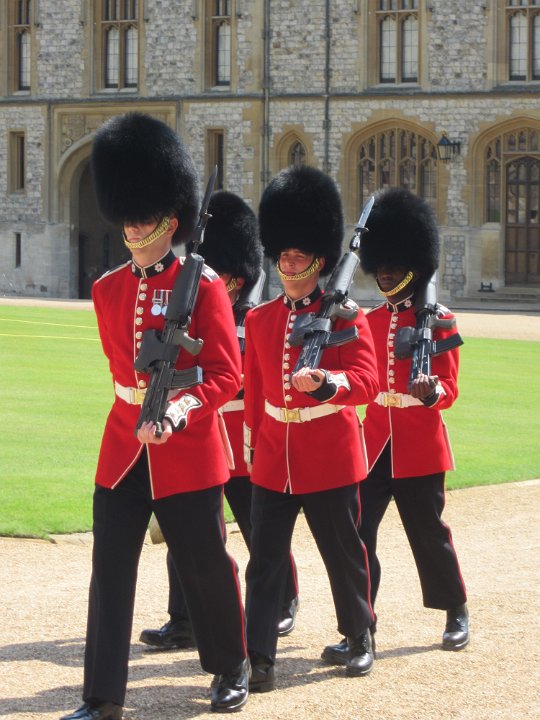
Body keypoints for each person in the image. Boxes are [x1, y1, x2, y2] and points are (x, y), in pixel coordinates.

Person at [60, 113, 249, 720]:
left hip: (187, 449)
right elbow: (123, 375)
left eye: (146, 215)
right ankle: (102, 697)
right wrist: (143, 412)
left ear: (171, 219)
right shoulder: (107, 289)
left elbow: (225, 375)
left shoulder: (206, 285)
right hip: (123, 448)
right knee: (110, 572)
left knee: (205, 564)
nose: (135, 225)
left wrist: (178, 412)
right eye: (130, 214)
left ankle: (231, 666)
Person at [139, 190, 300, 652]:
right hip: (197, 433)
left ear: (238, 279)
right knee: (186, 533)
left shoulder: (256, 319)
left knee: (258, 531)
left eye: (222, 275)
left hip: (242, 440)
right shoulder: (189, 319)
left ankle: (283, 599)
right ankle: (184, 618)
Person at [242, 165, 380, 692]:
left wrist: (328, 384)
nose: (288, 265)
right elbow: (257, 393)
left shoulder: (345, 315)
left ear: (320, 260)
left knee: (342, 554)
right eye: (283, 256)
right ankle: (258, 657)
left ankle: (359, 634)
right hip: (274, 457)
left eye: (299, 257)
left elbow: (366, 381)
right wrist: (253, 448)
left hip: (329, 453)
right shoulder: (261, 320)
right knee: (265, 562)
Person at [322, 187, 469, 668]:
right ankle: (360, 626)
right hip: (373, 443)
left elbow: (450, 387)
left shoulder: (439, 320)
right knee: (358, 535)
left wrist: (431, 393)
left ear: (412, 265)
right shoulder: (368, 320)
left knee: (427, 533)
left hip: (419, 442)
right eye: (380, 266)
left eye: (393, 266)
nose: (384, 273)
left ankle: (455, 609)